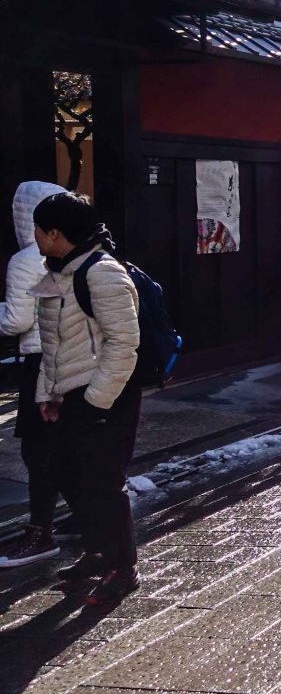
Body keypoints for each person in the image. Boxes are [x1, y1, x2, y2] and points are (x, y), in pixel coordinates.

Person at [32, 192, 142, 605]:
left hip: (108, 394)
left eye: (39, 230)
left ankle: (123, 567)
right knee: (66, 473)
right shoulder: (59, 272)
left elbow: (124, 343)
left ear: (56, 233)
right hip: (73, 394)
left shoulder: (102, 273)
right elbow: (52, 344)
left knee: (104, 482)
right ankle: (98, 553)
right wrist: (49, 392)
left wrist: (98, 400)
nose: (36, 237)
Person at [0, 181, 72, 568]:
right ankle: (85, 520)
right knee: (64, 445)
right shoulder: (74, 255)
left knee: (39, 448)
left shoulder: (26, 257)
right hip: (69, 358)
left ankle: (40, 531)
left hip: (39, 359)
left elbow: (17, 320)